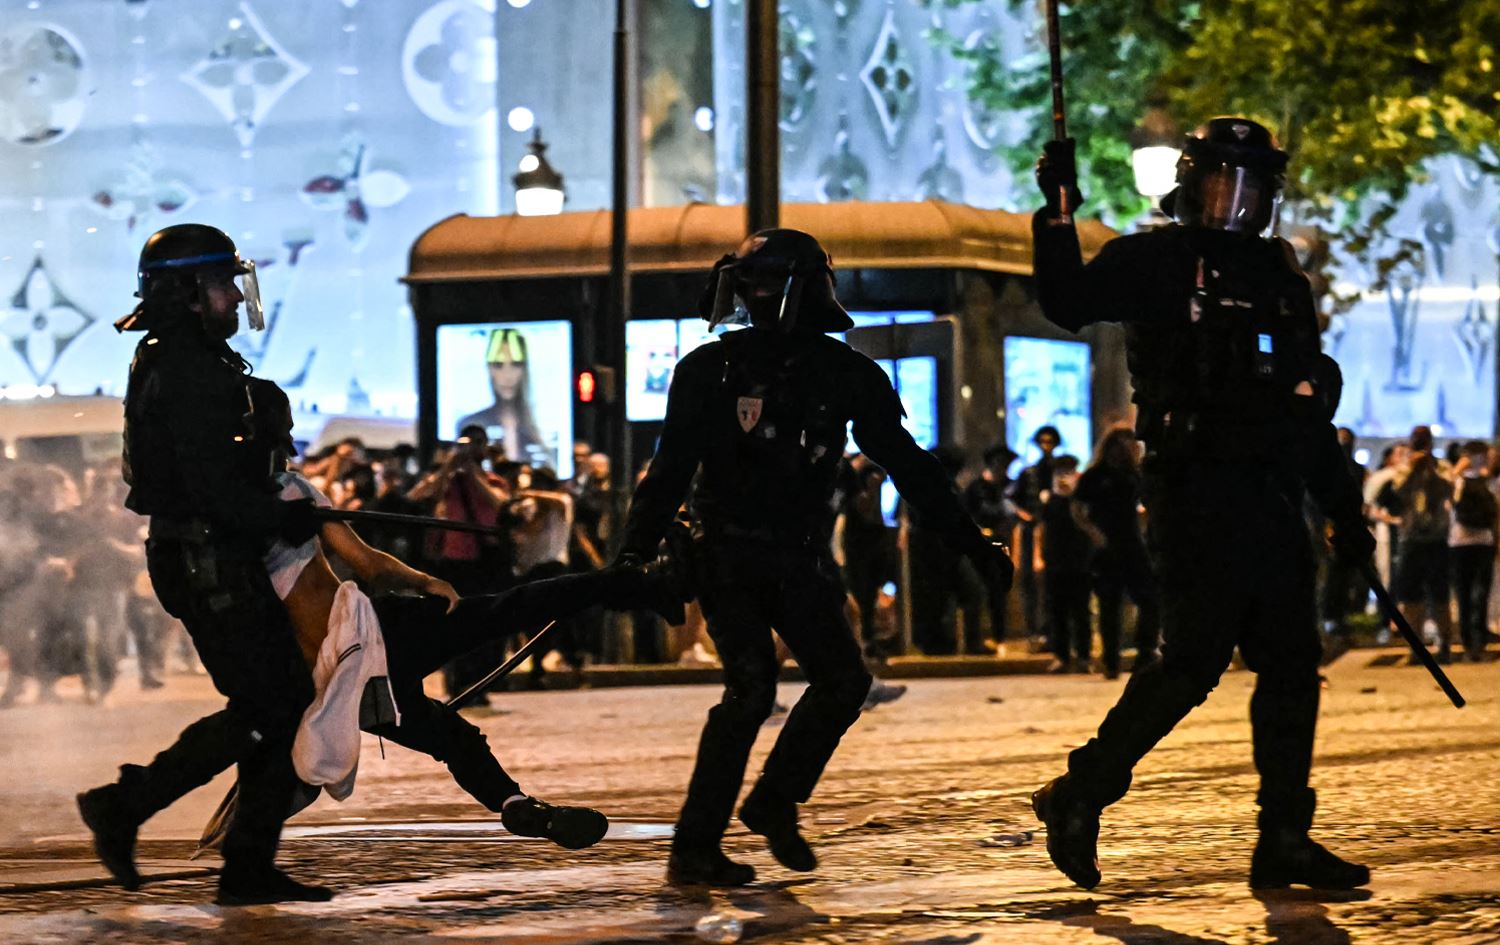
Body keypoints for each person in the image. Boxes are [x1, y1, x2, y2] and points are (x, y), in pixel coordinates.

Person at [1028, 119, 1373, 891]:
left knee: (1293, 664)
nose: (1234, 200)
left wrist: (1343, 512)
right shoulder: (1152, 259)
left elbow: (1305, 406)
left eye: (1251, 184)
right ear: (1190, 183)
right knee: (1190, 662)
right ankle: (1082, 790)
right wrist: (1057, 214)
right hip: (1192, 489)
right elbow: (1067, 301)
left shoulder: (1280, 277)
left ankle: (1284, 835)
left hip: (1270, 492)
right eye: (1221, 180)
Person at [615, 228, 1013, 886]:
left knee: (842, 682)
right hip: (727, 555)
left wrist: (971, 541)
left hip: (797, 558)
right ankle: (696, 845)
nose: (759, 297)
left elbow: (910, 466)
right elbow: (670, 469)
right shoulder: (710, 368)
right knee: (751, 691)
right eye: (751, 284)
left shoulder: (841, 372)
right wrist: (634, 552)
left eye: (770, 284)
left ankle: (773, 800)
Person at [77, 223, 330, 905]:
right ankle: (130, 806)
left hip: (207, 553)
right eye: (223, 284)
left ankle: (242, 862)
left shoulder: (187, 357)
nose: (234, 297)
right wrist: (279, 516)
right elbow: (210, 485)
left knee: (273, 705)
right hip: (206, 556)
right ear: (189, 292)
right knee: (275, 703)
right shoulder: (186, 367)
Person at [1075, 425, 1160, 677]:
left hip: (1132, 543)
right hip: (1106, 545)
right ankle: (1111, 660)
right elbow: (1077, 508)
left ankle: (1146, 651)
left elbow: (1145, 504)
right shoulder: (1095, 475)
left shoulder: (1133, 474)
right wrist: (1094, 533)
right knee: (1109, 603)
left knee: (1149, 598)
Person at [1391, 425, 1456, 663]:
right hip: (1411, 538)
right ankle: (1416, 647)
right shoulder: (1403, 468)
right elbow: (1398, 493)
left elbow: (1449, 490)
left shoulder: (1442, 467)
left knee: (1440, 594)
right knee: (1410, 596)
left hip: (1437, 537)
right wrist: (1413, 469)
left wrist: (1430, 468)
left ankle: (1444, 644)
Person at [456, 327, 551, 469]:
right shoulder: (469, 424)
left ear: (524, 369)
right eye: (498, 365)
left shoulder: (543, 428)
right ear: (489, 368)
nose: (508, 376)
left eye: (516, 364)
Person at [1037, 455, 1092, 672]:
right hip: (1055, 562)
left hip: (1080, 561)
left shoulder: (1081, 499)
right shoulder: (1050, 501)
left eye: (1067, 472)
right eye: (1059, 472)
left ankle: (1084, 657)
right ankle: (1061, 656)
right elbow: (1042, 529)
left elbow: (1088, 526)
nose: (1062, 478)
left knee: (1081, 611)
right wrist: (1040, 557)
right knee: (1057, 611)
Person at [963, 444, 1020, 647]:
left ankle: (999, 636)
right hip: (980, 542)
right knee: (977, 590)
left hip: (1006, 541)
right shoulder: (976, 487)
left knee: (999, 590)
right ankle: (976, 638)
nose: (1002, 467)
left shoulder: (1011, 487)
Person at [1011, 426, 1061, 640]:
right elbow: (1011, 499)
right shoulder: (1029, 473)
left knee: (1054, 580)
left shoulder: (1060, 472)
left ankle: (1052, 630)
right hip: (1032, 532)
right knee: (1030, 580)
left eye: (1050, 441)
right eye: (1042, 441)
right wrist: (1024, 515)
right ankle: (1034, 629)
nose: (1046, 446)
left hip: (1056, 532)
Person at [1448, 440, 1495, 661]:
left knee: (1469, 592)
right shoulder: (1467, 480)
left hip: (1465, 543)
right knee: (1474, 592)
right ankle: (1474, 638)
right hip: (1476, 542)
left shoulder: (1480, 480)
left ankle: (1473, 638)